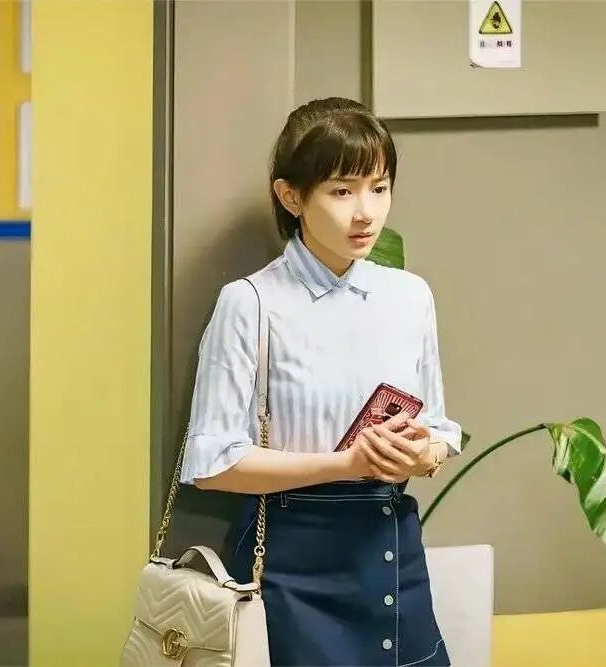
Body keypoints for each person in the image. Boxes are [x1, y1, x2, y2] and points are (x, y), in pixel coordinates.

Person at [179, 97, 464, 667]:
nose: (366, 213)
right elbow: (212, 462)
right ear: (292, 197)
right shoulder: (251, 303)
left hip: (391, 555)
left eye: (379, 188)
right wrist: (345, 464)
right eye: (341, 191)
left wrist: (422, 453)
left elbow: (437, 427)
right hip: (291, 563)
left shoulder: (410, 297)